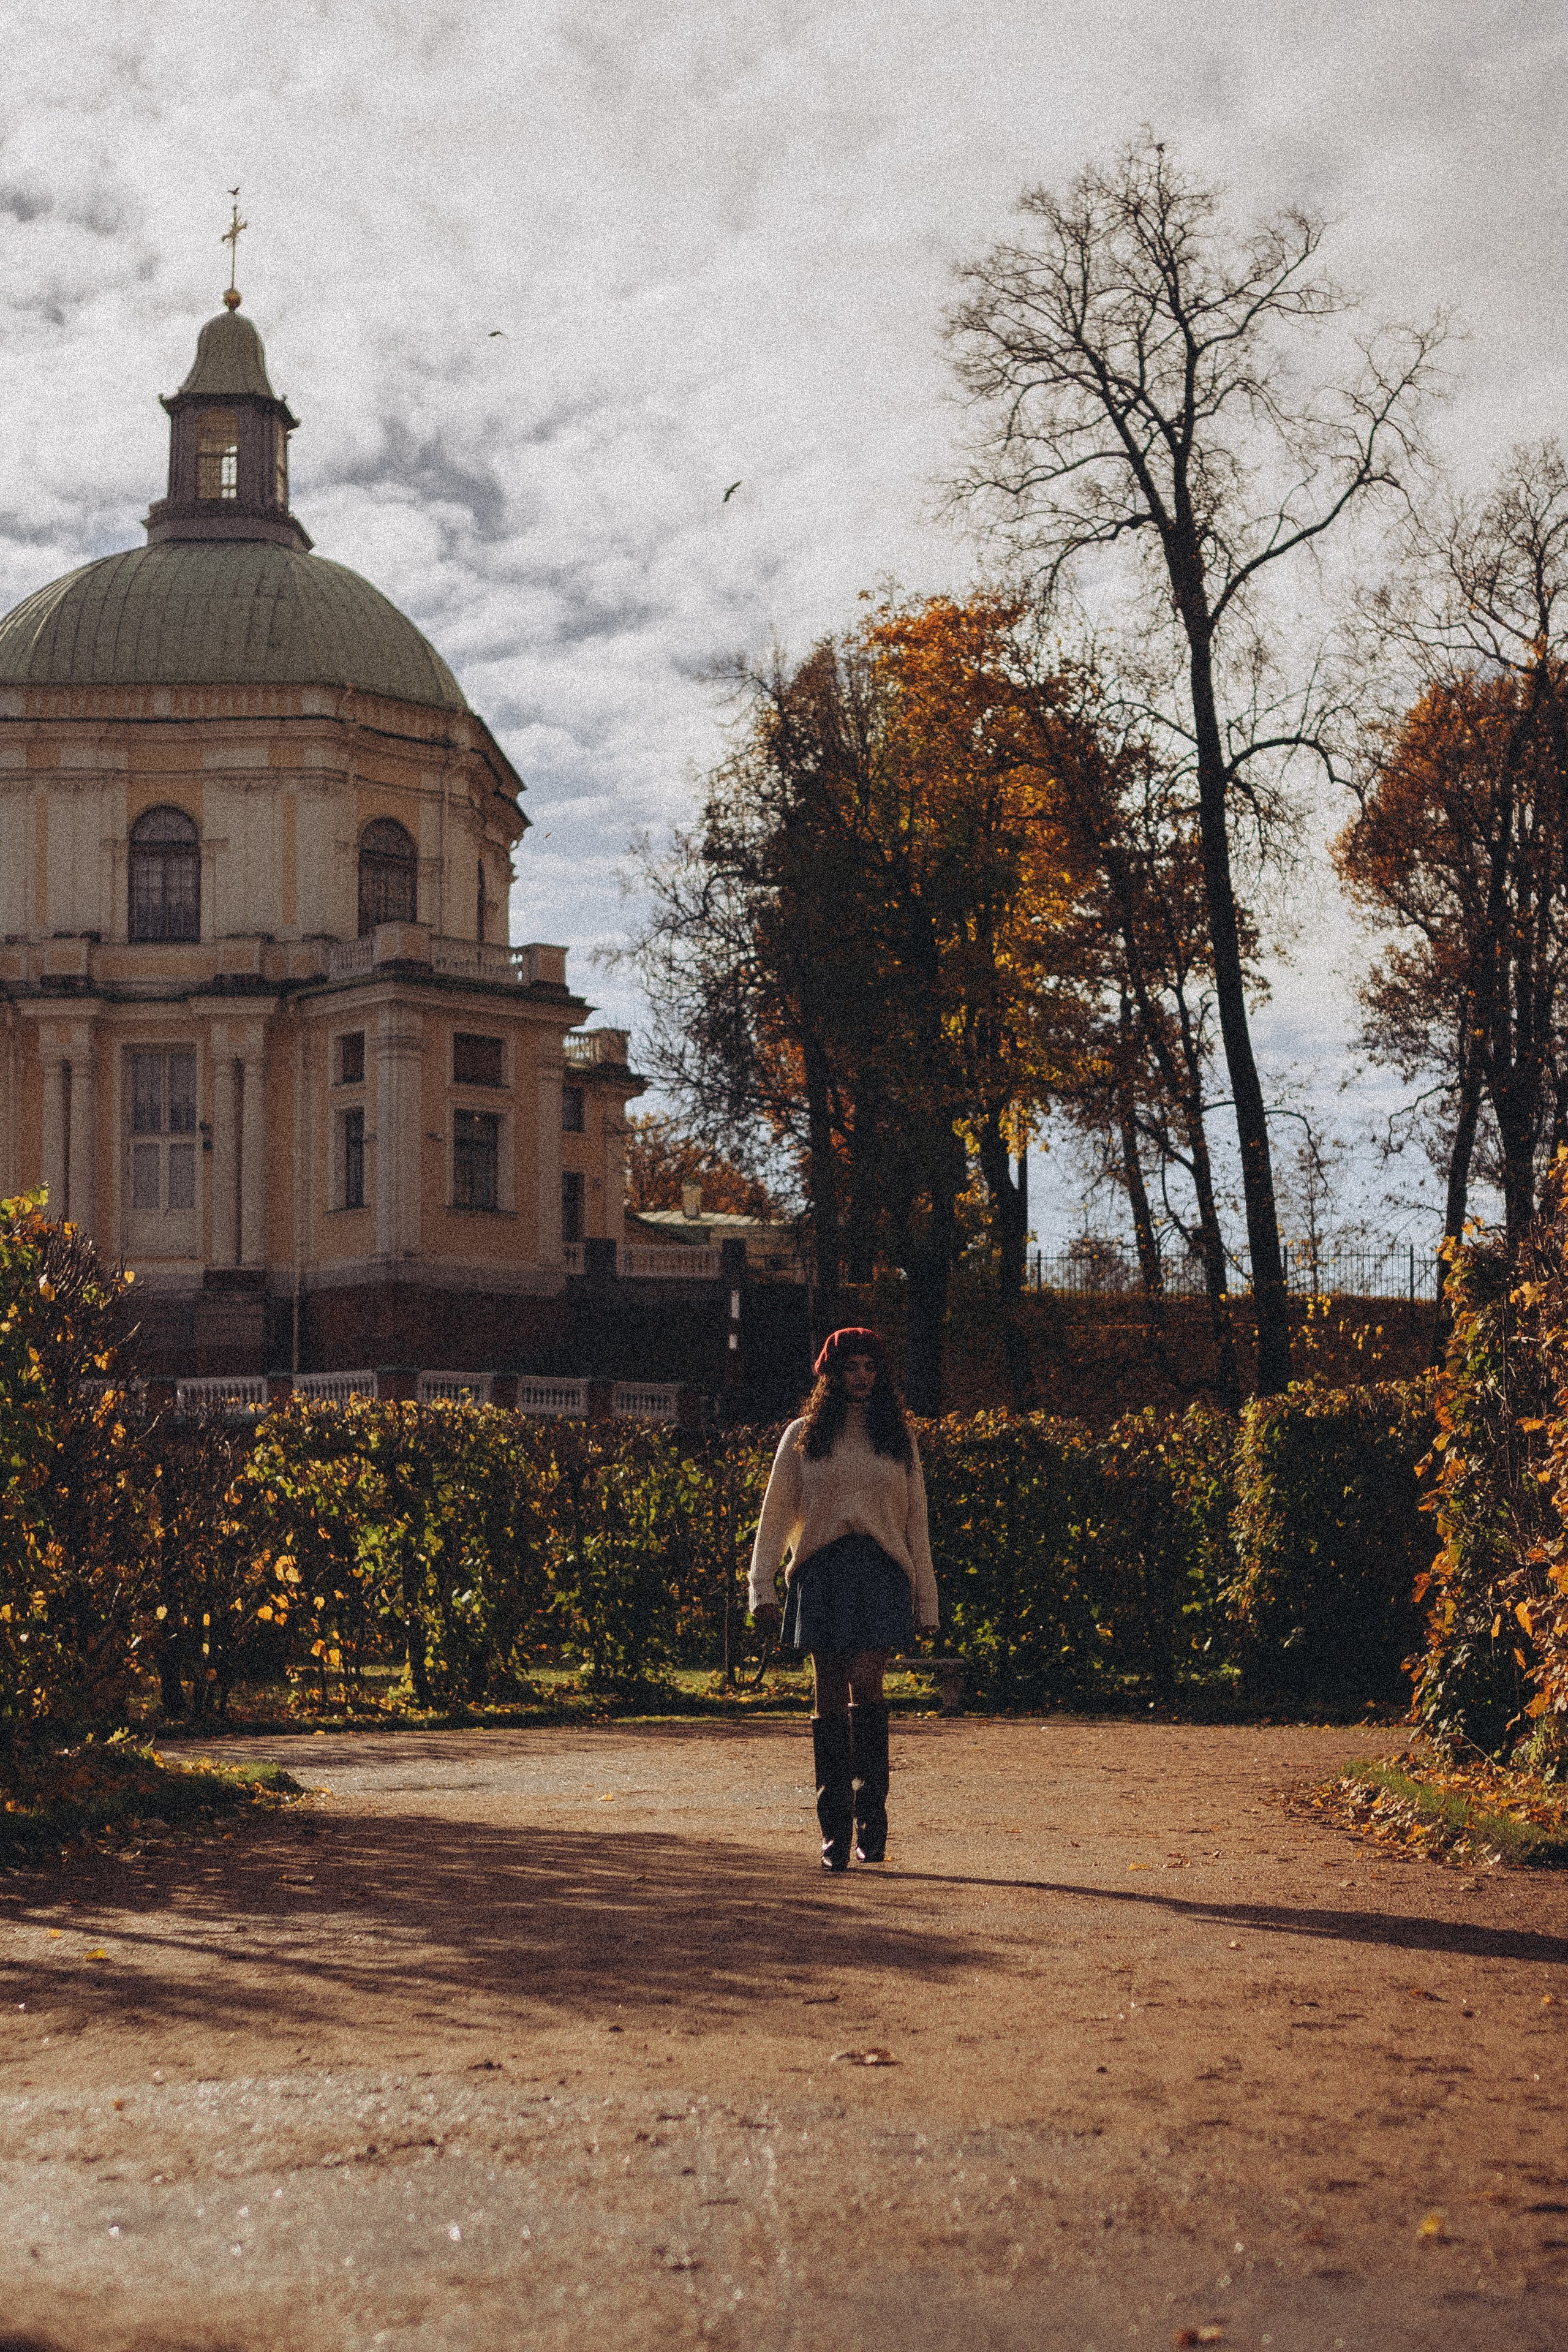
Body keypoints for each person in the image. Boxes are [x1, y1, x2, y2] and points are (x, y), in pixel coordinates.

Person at [748, 1327, 939, 1871]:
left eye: (870, 1368)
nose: (862, 1376)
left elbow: (916, 1521)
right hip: (822, 1572)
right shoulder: (803, 1437)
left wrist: (927, 1599)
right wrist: (761, 1586)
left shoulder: (897, 1439)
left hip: (881, 1571)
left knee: (866, 1679)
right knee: (828, 1688)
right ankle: (833, 1827)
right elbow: (776, 1514)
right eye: (851, 1367)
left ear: (881, 1376)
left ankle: (871, 1817)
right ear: (831, 1375)